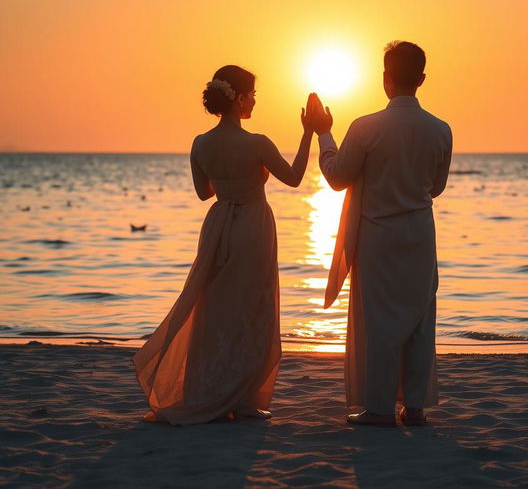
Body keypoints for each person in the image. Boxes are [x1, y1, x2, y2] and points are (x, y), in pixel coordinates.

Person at [133, 65, 317, 426]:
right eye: (253, 95)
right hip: (252, 225)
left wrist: (228, 178)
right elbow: (294, 178)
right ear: (242, 97)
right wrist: (308, 132)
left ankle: (208, 389)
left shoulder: (200, 143)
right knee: (253, 307)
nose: (255, 102)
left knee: (213, 308)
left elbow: (205, 193)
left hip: (217, 226)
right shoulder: (257, 142)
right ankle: (246, 399)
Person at [310, 41, 452, 427]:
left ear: (385, 78)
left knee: (378, 322)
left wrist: (324, 134)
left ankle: (378, 408)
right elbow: (435, 187)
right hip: (420, 234)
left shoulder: (365, 126)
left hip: (377, 237)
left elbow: (338, 178)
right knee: (420, 319)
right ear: (422, 78)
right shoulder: (441, 130)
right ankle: (416, 406)